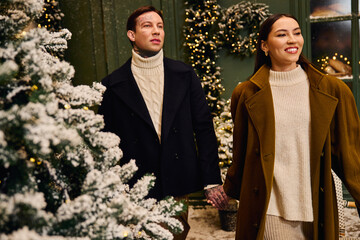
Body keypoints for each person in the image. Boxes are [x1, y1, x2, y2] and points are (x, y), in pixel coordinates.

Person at [221, 13, 360, 239]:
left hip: (318, 204)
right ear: (265, 46)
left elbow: (351, 154)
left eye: (296, 33)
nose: (292, 40)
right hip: (271, 208)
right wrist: (230, 190)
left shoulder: (332, 90)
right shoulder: (246, 93)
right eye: (282, 34)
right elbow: (241, 153)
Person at [97, 6, 228, 239]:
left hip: (177, 176)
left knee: (175, 234)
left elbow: (204, 128)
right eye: (147, 26)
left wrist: (211, 179)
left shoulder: (184, 75)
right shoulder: (112, 84)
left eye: (160, 26)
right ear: (131, 35)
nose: (156, 31)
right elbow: (106, 140)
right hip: (135, 183)